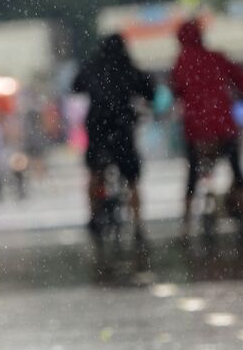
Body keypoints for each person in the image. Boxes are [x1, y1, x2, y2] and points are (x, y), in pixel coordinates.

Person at [72, 33, 155, 242]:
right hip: (122, 127)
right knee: (131, 178)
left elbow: (76, 86)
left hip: (97, 126)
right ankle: (138, 225)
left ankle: (93, 217)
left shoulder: (92, 66)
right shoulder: (128, 68)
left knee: (94, 171)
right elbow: (149, 91)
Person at [170, 18, 243, 232]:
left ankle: (185, 222)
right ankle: (239, 201)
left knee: (192, 172)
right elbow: (239, 80)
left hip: (196, 130)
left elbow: (177, 91)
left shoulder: (181, 62)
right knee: (235, 170)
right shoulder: (216, 58)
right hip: (223, 126)